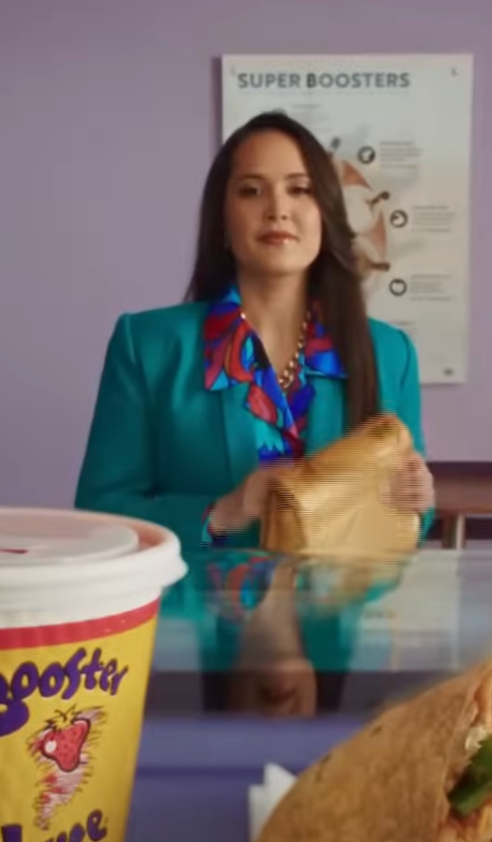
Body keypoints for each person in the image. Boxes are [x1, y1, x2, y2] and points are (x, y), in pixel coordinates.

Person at [74, 110, 434, 551]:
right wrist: (225, 511)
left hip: (337, 615)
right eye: (251, 191)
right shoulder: (148, 346)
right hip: (197, 615)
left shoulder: (389, 352)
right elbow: (100, 513)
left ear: (325, 214)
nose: (278, 209)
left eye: (299, 190)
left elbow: (408, 517)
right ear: (223, 219)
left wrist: (419, 500)